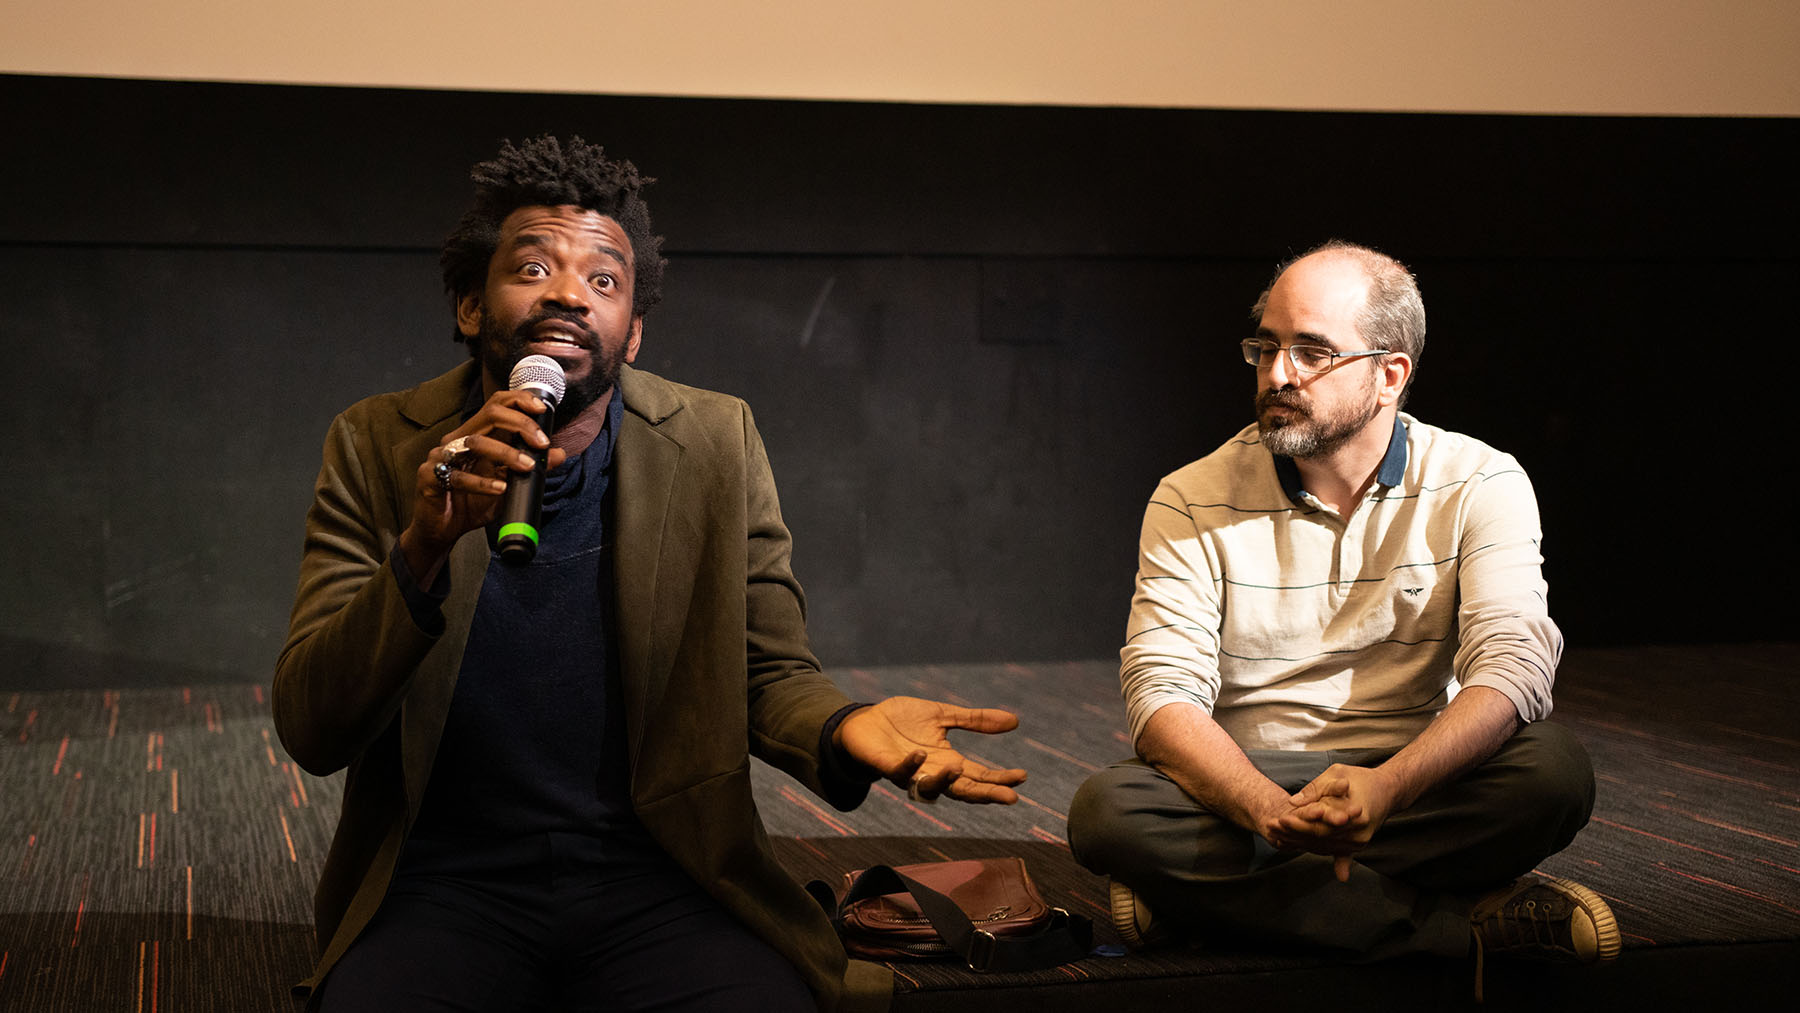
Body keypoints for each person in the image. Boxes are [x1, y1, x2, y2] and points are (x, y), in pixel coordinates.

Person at [273, 135, 1026, 1013]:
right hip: (444, 884)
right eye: (533, 267)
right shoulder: (375, 442)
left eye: (603, 279)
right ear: (471, 306)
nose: (568, 293)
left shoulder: (715, 440)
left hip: (659, 875)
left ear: (631, 334)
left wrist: (845, 724)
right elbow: (312, 725)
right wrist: (423, 549)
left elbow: (768, 671)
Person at [1067, 240, 1618, 981]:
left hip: (1411, 776)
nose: (1277, 373)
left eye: (1311, 352)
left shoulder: (1482, 482)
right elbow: (1161, 696)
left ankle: (1206, 898)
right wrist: (1265, 808)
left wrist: (1387, 789)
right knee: (1108, 810)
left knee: (1553, 773)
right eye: (1266, 347)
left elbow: (1513, 667)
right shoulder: (1189, 497)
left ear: (1390, 375)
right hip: (1247, 780)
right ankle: (1460, 931)